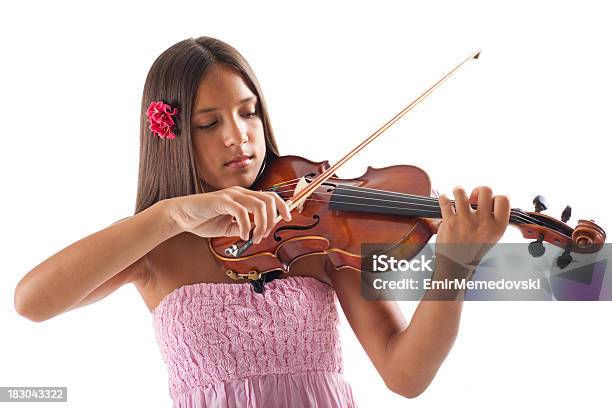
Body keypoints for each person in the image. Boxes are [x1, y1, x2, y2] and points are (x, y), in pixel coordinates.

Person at [13, 36, 511, 407]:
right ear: (171, 135)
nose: (239, 137)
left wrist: (456, 261)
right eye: (210, 123)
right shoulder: (154, 248)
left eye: (248, 114)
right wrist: (170, 216)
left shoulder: (318, 231)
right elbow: (32, 303)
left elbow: (406, 374)